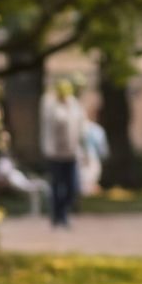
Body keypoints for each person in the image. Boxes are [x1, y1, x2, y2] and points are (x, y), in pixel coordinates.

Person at [39, 76, 87, 230]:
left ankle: (62, 212)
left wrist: (83, 148)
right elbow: (50, 126)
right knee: (56, 186)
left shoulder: (74, 105)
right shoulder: (49, 105)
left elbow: (81, 127)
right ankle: (59, 217)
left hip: (72, 153)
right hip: (55, 154)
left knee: (72, 187)